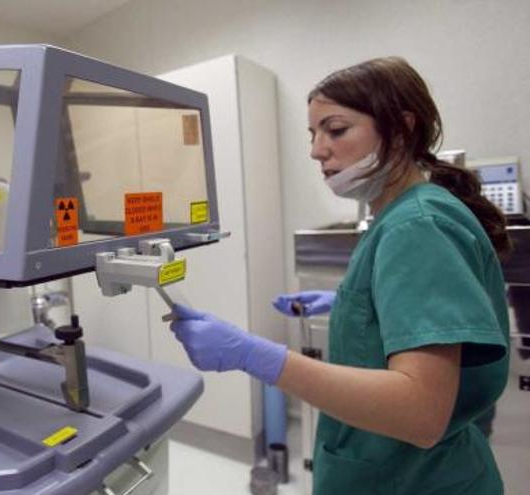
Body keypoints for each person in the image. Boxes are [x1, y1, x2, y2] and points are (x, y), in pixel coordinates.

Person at [169, 57, 511, 494]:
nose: (316, 150)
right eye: (312, 134)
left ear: (401, 129)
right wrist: (356, 304)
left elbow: (420, 411)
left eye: (336, 129)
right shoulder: (400, 215)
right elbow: (426, 313)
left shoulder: (417, 225)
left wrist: (256, 356)